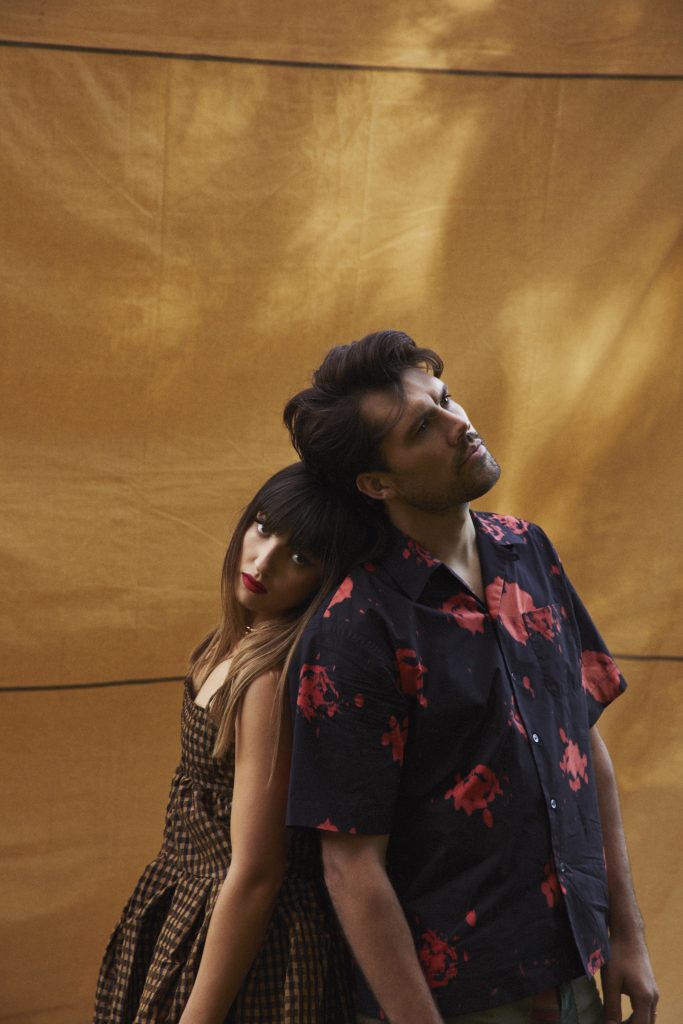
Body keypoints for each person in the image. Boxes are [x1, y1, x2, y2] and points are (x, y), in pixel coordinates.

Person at [282, 330, 659, 1024]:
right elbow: (351, 866)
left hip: (578, 965)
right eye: (422, 427)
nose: (458, 423)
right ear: (377, 483)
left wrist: (626, 936)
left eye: (446, 399)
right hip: (458, 999)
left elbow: (581, 748)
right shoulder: (357, 628)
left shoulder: (528, 548)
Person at [93, 463, 382, 1024]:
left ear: (326, 580)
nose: (264, 561)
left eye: (301, 557)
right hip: (189, 912)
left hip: (250, 945)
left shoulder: (267, 680)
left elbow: (257, 873)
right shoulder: (224, 645)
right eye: (263, 527)